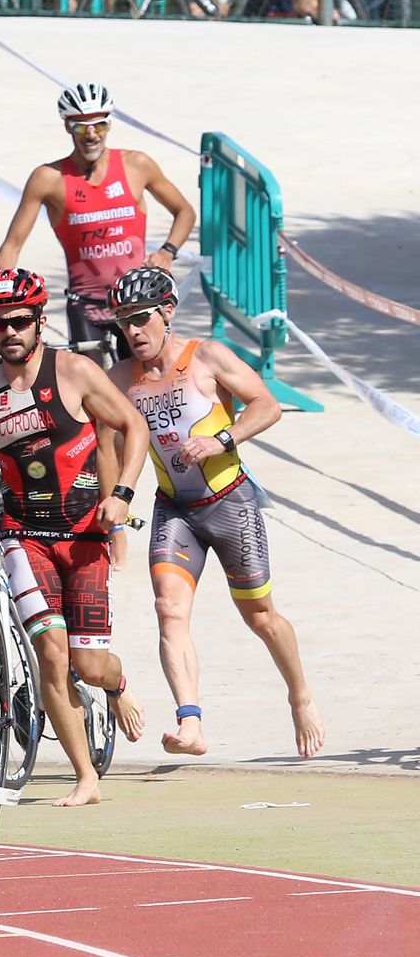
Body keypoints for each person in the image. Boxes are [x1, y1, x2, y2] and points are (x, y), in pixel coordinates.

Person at [0, 268, 149, 808]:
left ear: (39, 321)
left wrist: (123, 495)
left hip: (84, 535)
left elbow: (134, 426)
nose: (9, 331)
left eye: (19, 321)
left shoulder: (77, 371)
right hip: (22, 536)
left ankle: (116, 684)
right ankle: (87, 776)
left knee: (89, 664)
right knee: (51, 657)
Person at [106, 266, 324, 761]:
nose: (133, 332)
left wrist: (221, 439)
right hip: (174, 510)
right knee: (169, 610)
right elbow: (102, 440)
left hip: (231, 503)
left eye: (140, 319)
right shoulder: (120, 379)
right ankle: (191, 723)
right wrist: (115, 509)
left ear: (167, 311)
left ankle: (300, 693)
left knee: (261, 617)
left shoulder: (205, 356)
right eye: (123, 322)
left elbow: (266, 405)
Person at [0, 82, 196, 363]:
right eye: (81, 127)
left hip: (135, 301)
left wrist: (167, 251)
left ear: (110, 125)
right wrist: (4, 305)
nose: (91, 135)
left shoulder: (136, 165)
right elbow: (11, 246)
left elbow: (185, 211)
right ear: (67, 126)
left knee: (145, 382)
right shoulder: (48, 179)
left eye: (99, 126)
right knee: (91, 392)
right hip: (85, 307)